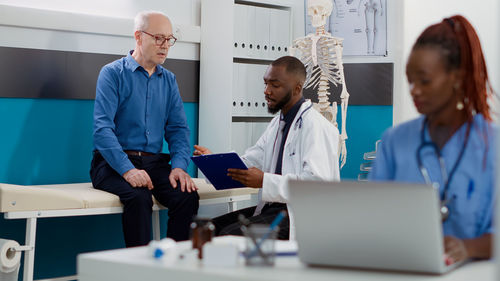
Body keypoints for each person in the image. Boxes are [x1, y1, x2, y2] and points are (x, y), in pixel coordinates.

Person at [369, 15, 497, 264]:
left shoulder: (492, 145)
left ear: (456, 78)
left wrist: (468, 247)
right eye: (410, 80)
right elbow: (373, 216)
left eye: (424, 80)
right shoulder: (395, 141)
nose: (414, 90)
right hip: (403, 269)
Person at [194, 56, 340, 240]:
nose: (267, 91)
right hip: (277, 208)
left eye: (275, 86)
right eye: (265, 84)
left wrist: (265, 181)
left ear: (297, 88)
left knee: (229, 237)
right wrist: (215, 162)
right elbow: (251, 161)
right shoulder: (278, 124)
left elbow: (316, 187)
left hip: (304, 216)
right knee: (207, 230)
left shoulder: (315, 127)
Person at [90, 11, 199, 247]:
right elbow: (102, 129)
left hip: (154, 163)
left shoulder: (169, 80)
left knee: (186, 196)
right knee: (139, 198)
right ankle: (141, 268)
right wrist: (128, 170)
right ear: (138, 37)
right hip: (111, 164)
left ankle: (173, 264)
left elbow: (179, 130)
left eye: (169, 39)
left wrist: (179, 166)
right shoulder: (112, 73)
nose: (166, 46)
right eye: (159, 38)